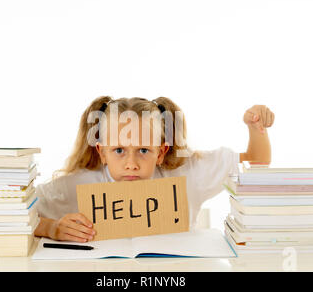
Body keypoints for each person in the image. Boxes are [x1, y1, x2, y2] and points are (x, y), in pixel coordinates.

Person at [34, 96, 274, 242]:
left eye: (143, 150)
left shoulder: (186, 174)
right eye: (119, 150)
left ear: (160, 152)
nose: (131, 163)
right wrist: (51, 227)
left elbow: (256, 164)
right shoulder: (76, 185)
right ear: (102, 152)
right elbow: (12, 213)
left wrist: (255, 127)